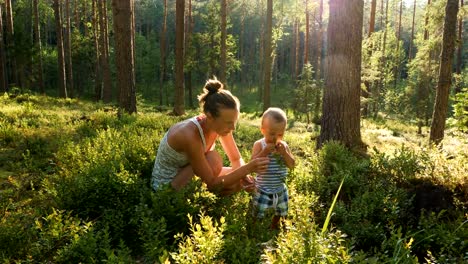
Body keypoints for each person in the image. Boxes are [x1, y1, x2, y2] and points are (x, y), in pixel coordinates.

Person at [151, 78, 269, 195]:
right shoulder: (190, 135)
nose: (233, 127)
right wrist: (248, 168)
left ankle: (206, 200)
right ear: (210, 116)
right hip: (167, 189)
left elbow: (235, 159)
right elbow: (212, 183)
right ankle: (200, 205)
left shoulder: (218, 126)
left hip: (187, 173)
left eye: (234, 121)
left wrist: (245, 175)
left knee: (238, 180)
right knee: (214, 160)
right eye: (228, 122)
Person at [250, 107, 295, 230]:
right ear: (262, 130)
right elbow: (252, 165)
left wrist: (284, 153)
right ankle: (255, 229)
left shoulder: (284, 146)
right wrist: (264, 152)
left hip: (280, 188)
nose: (276, 138)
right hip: (262, 188)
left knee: (281, 211)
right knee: (258, 213)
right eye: (272, 134)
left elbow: (292, 165)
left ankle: (274, 226)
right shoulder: (259, 145)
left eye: (280, 134)